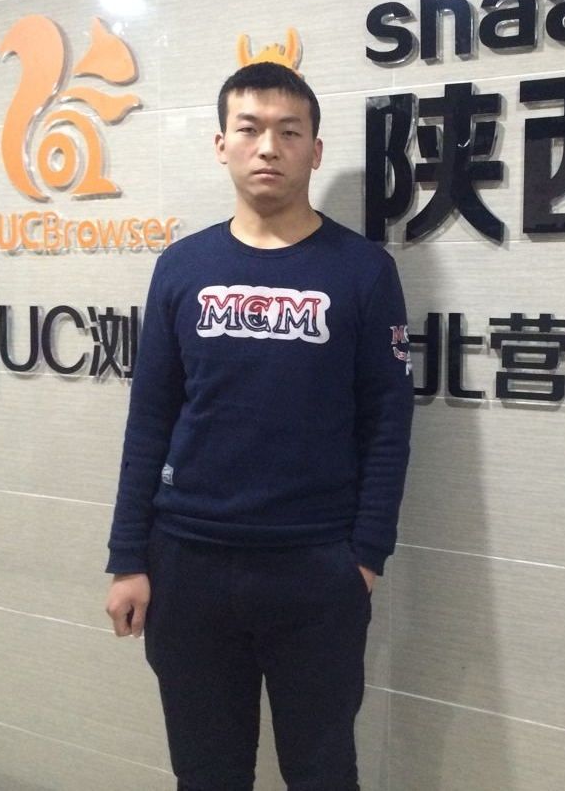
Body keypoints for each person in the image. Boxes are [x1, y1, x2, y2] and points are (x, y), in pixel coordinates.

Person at [104, 62, 414, 791]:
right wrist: (128, 556)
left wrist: (364, 558)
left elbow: (388, 422)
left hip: (316, 568)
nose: (268, 147)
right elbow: (150, 417)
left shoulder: (363, 271)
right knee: (206, 774)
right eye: (249, 129)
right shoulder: (182, 267)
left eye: (289, 131)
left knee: (323, 772)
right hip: (187, 564)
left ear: (315, 150)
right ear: (221, 145)